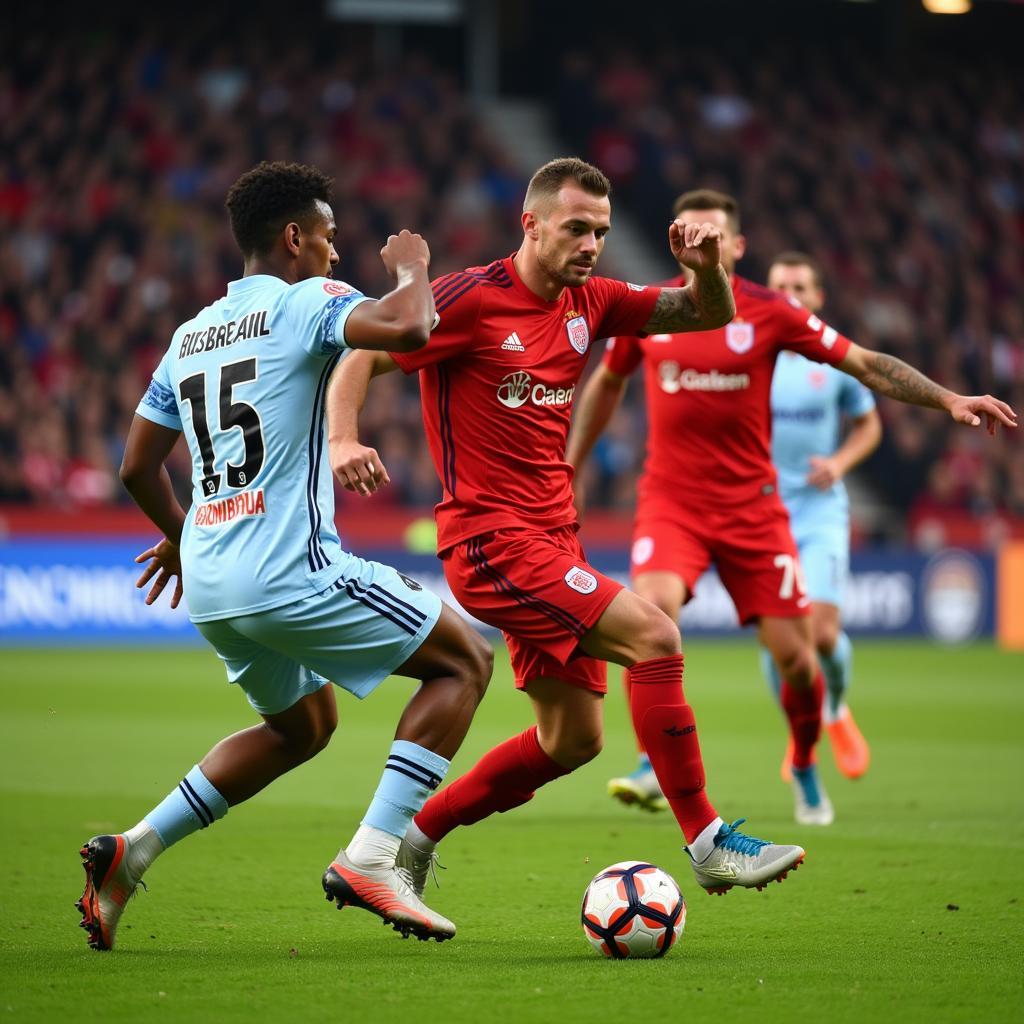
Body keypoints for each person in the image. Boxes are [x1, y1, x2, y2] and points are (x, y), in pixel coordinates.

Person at [328, 157, 807, 902]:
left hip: (553, 542)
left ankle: (415, 839)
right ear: (532, 224)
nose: (591, 244)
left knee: (573, 739)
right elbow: (361, 350)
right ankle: (709, 843)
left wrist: (706, 270)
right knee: (656, 636)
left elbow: (707, 314)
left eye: (602, 232)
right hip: (492, 543)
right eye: (576, 228)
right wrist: (342, 438)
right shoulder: (473, 301)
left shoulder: (594, 301)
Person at [76, 161, 493, 951]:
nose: (338, 254)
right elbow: (410, 329)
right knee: (466, 659)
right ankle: (373, 857)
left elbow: (135, 466)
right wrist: (411, 264)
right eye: (331, 238)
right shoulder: (306, 302)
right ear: (294, 237)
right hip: (288, 571)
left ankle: (132, 853)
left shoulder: (190, 334)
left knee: (303, 726)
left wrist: (180, 534)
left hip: (211, 585)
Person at [569, 189, 1016, 827]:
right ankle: (650, 764)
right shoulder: (652, 310)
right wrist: (573, 464)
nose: (698, 247)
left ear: (737, 246)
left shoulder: (772, 313)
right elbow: (607, 382)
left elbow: (865, 364)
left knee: (798, 661)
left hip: (754, 512)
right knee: (652, 615)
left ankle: (804, 762)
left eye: (712, 238)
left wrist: (947, 399)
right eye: (687, 236)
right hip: (672, 503)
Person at [760, 251, 881, 782]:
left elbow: (869, 426)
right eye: (779, 286)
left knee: (823, 634)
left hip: (818, 510)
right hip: (761, 512)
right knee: (777, 636)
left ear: (818, 297)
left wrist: (839, 462)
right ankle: (799, 725)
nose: (790, 295)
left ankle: (834, 710)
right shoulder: (750, 354)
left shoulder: (832, 360)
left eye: (800, 287)